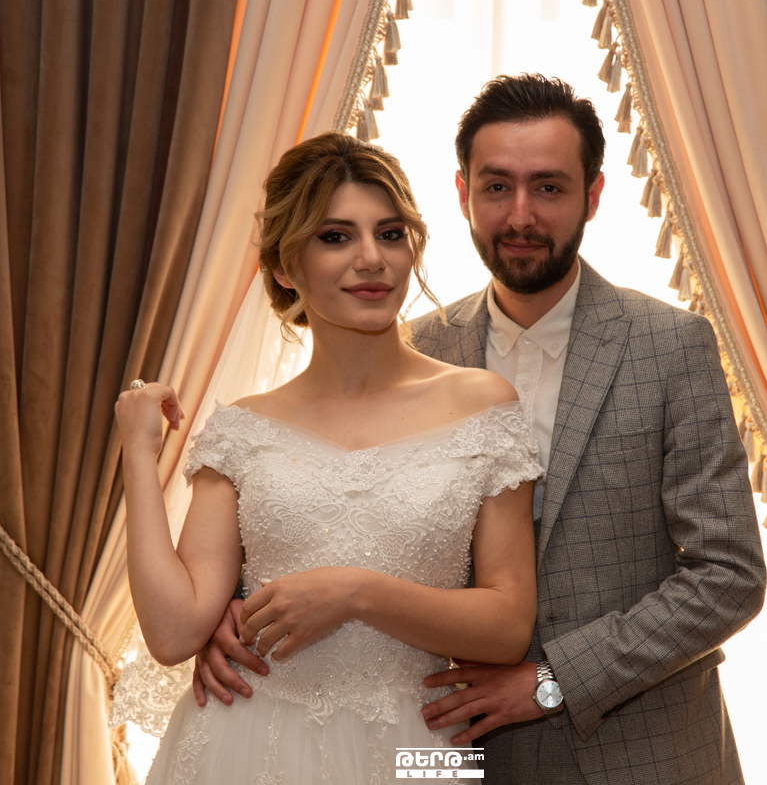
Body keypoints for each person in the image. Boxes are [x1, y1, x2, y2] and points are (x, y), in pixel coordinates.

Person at [195, 75, 767, 784]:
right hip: (446, 754)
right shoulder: (411, 346)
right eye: (497, 187)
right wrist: (229, 618)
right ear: (463, 194)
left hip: (644, 755)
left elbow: (728, 575)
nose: (521, 215)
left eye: (549, 187)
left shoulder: (670, 346)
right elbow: (330, 504)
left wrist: (553, 680)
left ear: (593, 195)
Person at [116, 131, 544, 784]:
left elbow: (509, 628)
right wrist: (137, 455)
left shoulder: (482, 406)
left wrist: (354, 593)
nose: (372, 259)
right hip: (242, 746)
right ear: (284, 267)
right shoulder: (243, 429)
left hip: (415, 752)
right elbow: (174, 633)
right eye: (336, 236)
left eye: (390, 234)